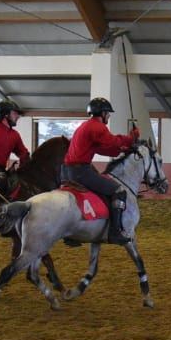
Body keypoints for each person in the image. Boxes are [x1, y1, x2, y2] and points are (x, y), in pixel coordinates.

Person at [61, 97, 138, 244]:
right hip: (81, 172)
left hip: (66, 171)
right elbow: (113, 141)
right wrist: (130, 139)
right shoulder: (97, 127)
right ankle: (115, 232)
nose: (109, 116)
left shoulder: (85, 126)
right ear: (102, 113)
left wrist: (125, 149)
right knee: (118, 191)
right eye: (108, 113)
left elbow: (103, 149)